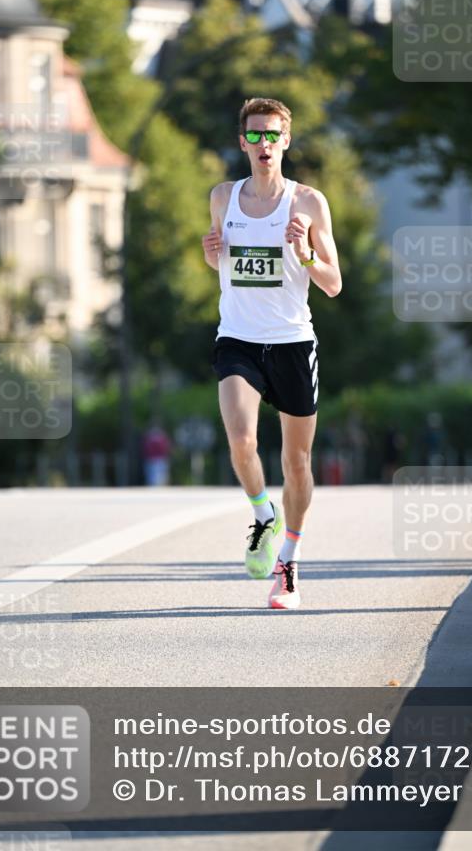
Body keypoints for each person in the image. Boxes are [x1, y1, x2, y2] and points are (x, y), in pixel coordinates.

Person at [202, 97, 342, 609]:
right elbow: (232, 268)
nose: (264, 144)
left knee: (296, 460)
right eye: (255, 135)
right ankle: (263, 514)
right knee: (241, 440)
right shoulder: (223, 197)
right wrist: (213, 258)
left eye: (272, 135)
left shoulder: (308, 203)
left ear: (286, 141)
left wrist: (304, 253)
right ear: (243, 142)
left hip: (291, 341)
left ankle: (289, 562)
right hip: (237, 336)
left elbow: (334, 284)